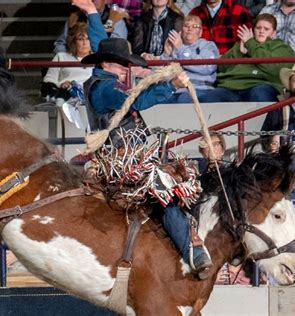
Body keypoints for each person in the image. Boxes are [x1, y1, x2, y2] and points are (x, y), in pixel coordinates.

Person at [74, 0, 212, 276]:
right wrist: (169, 86)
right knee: (163, 188)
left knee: (183, 176)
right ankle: (192, 252)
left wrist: (91, 14)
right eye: (124, 65)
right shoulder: (104, 89)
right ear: (109, 64)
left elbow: (104, 45)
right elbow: (133, 101)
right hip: (121, 161)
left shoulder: (104, 78)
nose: (128, 70)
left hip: (132, 155)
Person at [203, 13, 294, 102]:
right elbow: (221, 67)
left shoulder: (280, 46)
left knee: (259, 93)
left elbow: (274, 69)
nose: (261, 31)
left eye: (266, 29)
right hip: (230, 86)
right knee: (210, 98)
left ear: (274, 33)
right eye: (258, 28)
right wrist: (239, 52)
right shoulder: (241, 44)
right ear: (254, 30)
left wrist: (250, 44)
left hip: (261, 85)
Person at [157, 14, 219, 102]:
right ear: (181, 31)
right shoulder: (175, 46)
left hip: (200, 88)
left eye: (195, 26)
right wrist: (166, 55)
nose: (190, 29)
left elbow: (207, 68)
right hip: (175, 89)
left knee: (184, 98)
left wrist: (181, 49)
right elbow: (161, 73)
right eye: (186, 26)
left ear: (200, 32)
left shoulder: (207, 46)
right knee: (156, 99)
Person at [41, 23, 93, 101]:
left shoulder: (98, 59)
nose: (85, 43)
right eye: (80, 39)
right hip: (66, 96)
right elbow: (49, 79)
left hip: (90, 98)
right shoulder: (61, 57)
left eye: (88, 39)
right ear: (73, 41)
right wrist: (61, 84)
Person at [54, 0, 128, 54]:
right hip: (76, 63)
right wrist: (66, 59)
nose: (92, 1)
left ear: (105, 1)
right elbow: (61, 43)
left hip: (104, 62)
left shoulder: (115, 18)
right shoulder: (74, 17)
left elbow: (117, 47)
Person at [268, 134, 295, 221]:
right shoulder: (264, 167)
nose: (277, 147)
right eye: (274, 143)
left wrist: (279, 200)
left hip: (288, 210)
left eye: (280, 144)